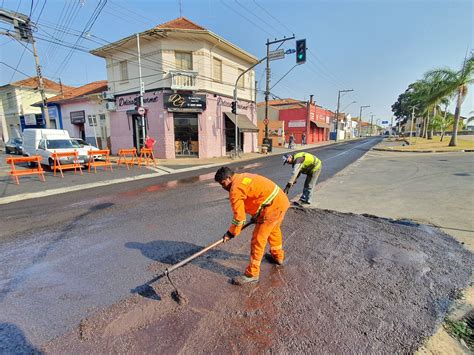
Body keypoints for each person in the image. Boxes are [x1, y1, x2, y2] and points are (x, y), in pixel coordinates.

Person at [214, 167, 290, 285]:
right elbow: (257, 196)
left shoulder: (235, 190)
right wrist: (256, 215)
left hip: (272, 208)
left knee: (258, 239)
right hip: (281, 201)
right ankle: (278, 257)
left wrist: (231, 233)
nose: (223, 187)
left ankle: (252, 274)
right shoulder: (242, 177)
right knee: (274, 230)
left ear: (229, 178)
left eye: (223, 183)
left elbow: (239, 219)